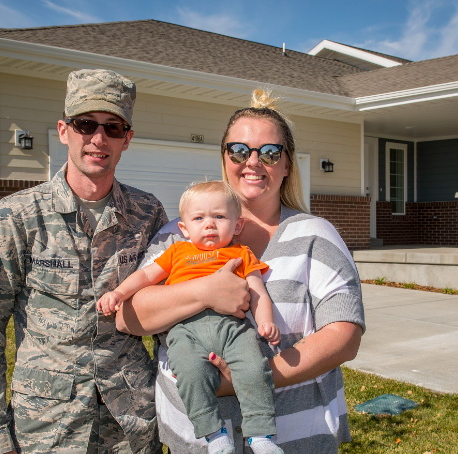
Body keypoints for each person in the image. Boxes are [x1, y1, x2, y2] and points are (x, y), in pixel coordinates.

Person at [115, 89, 365, 453]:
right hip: (194, 441)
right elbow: (128, 318)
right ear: (224, 158)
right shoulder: (177, 234)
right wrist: (204, 292)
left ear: (287, 164)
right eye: (239, 150)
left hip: (296, 439)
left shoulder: (315, 234)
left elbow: (344, 335)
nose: (253, 161)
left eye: (269, 152)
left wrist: (249, 380)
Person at [0, 69, 167, 454]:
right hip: (45, 431)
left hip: (132, 430)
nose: (98, 138)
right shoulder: (16, 217)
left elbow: (171, 317)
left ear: (127, 139)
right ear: (64, 130)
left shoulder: (148, 213)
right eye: (86, 124)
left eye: (113, 128)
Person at [97, 180, 283, 454]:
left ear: (237, 225)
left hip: (233, 328)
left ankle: (260, 434)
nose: (209, 224)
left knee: (255, 368)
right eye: (199, 218)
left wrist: (266, 321)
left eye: (219, 217)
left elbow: (258, 294)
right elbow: (147, 276)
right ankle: (214, 435)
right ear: (184, 228)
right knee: (189, 373)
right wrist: (119, 292)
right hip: (184, 330)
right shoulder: (177, 251)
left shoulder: (242, 254)